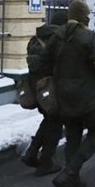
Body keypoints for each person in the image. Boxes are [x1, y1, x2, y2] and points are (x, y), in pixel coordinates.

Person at [38, 0, 95, 187]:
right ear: (85, 17)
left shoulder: (56, 37)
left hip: (64, 98)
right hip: (88, 98)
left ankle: (73, 183)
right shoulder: (90, 37)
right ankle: (69, 172)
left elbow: (43, 63)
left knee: (73, 137)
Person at [22, 9, 68, 176]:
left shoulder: (36, 39)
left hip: (37, 87)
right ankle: (46, 162)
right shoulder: (58, 40)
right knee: (55, 123)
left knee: (48, 120)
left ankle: (32, 153)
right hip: (52, 88)